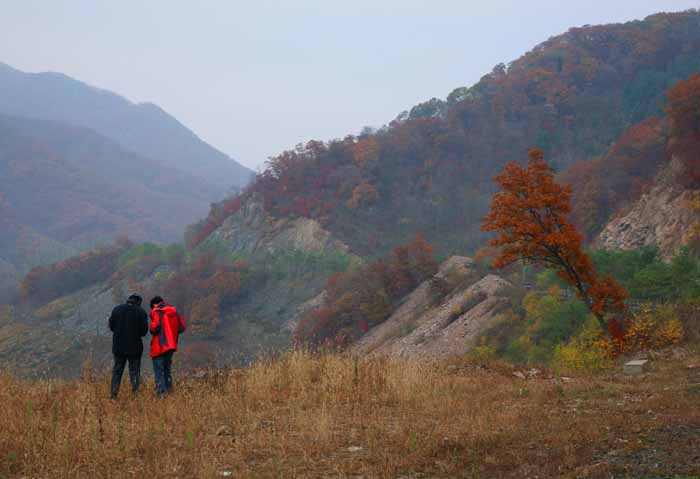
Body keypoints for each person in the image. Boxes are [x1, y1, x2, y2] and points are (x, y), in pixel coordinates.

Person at [108, 294, 148, 400]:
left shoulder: (117, 309)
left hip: (118, 347)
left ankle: (113, 395)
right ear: (138, 302)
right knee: (134, 372)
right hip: (135, 348)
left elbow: (111, 326)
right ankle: (135, 395)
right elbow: (144, 332)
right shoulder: (141, 312)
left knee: (117, 371)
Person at [149, 295, 186, 396]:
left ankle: (161, 395)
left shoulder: (157, 311)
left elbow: (154, 328)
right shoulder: (175, 311)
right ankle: (169, 391)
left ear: (154, 305)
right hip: (171, 346)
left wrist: (151, 326)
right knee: (167, 369)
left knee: (159, 370)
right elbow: (182, 327)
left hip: (160, 346)